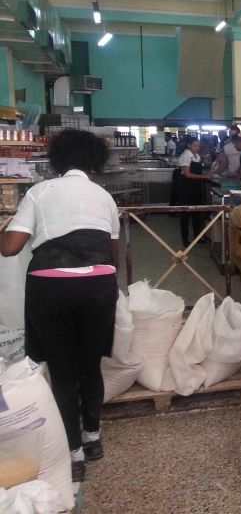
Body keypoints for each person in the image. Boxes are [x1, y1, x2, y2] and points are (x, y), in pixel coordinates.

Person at [0, 130, 119, 483]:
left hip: (51, 287)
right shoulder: (104, 197)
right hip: (99, 285)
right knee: (90, 364)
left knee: (63, 372)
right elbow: (112, 252)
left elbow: (10, 247)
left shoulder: (40, 192)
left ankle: (74, 455)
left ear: (57, 159)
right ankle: (93, 438)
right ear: (94, 160)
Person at [176, 138, 210, 247]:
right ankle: (185, 239)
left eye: (198, 146)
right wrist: (204, 176)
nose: (197, 147)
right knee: (185, 213)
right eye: (195, 145)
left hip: (196, 187)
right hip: (186, 187)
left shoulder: (197, 156)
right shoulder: (186, 155)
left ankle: (197, 237)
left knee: (197, 213)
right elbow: (187, 174)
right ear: (189, 145)